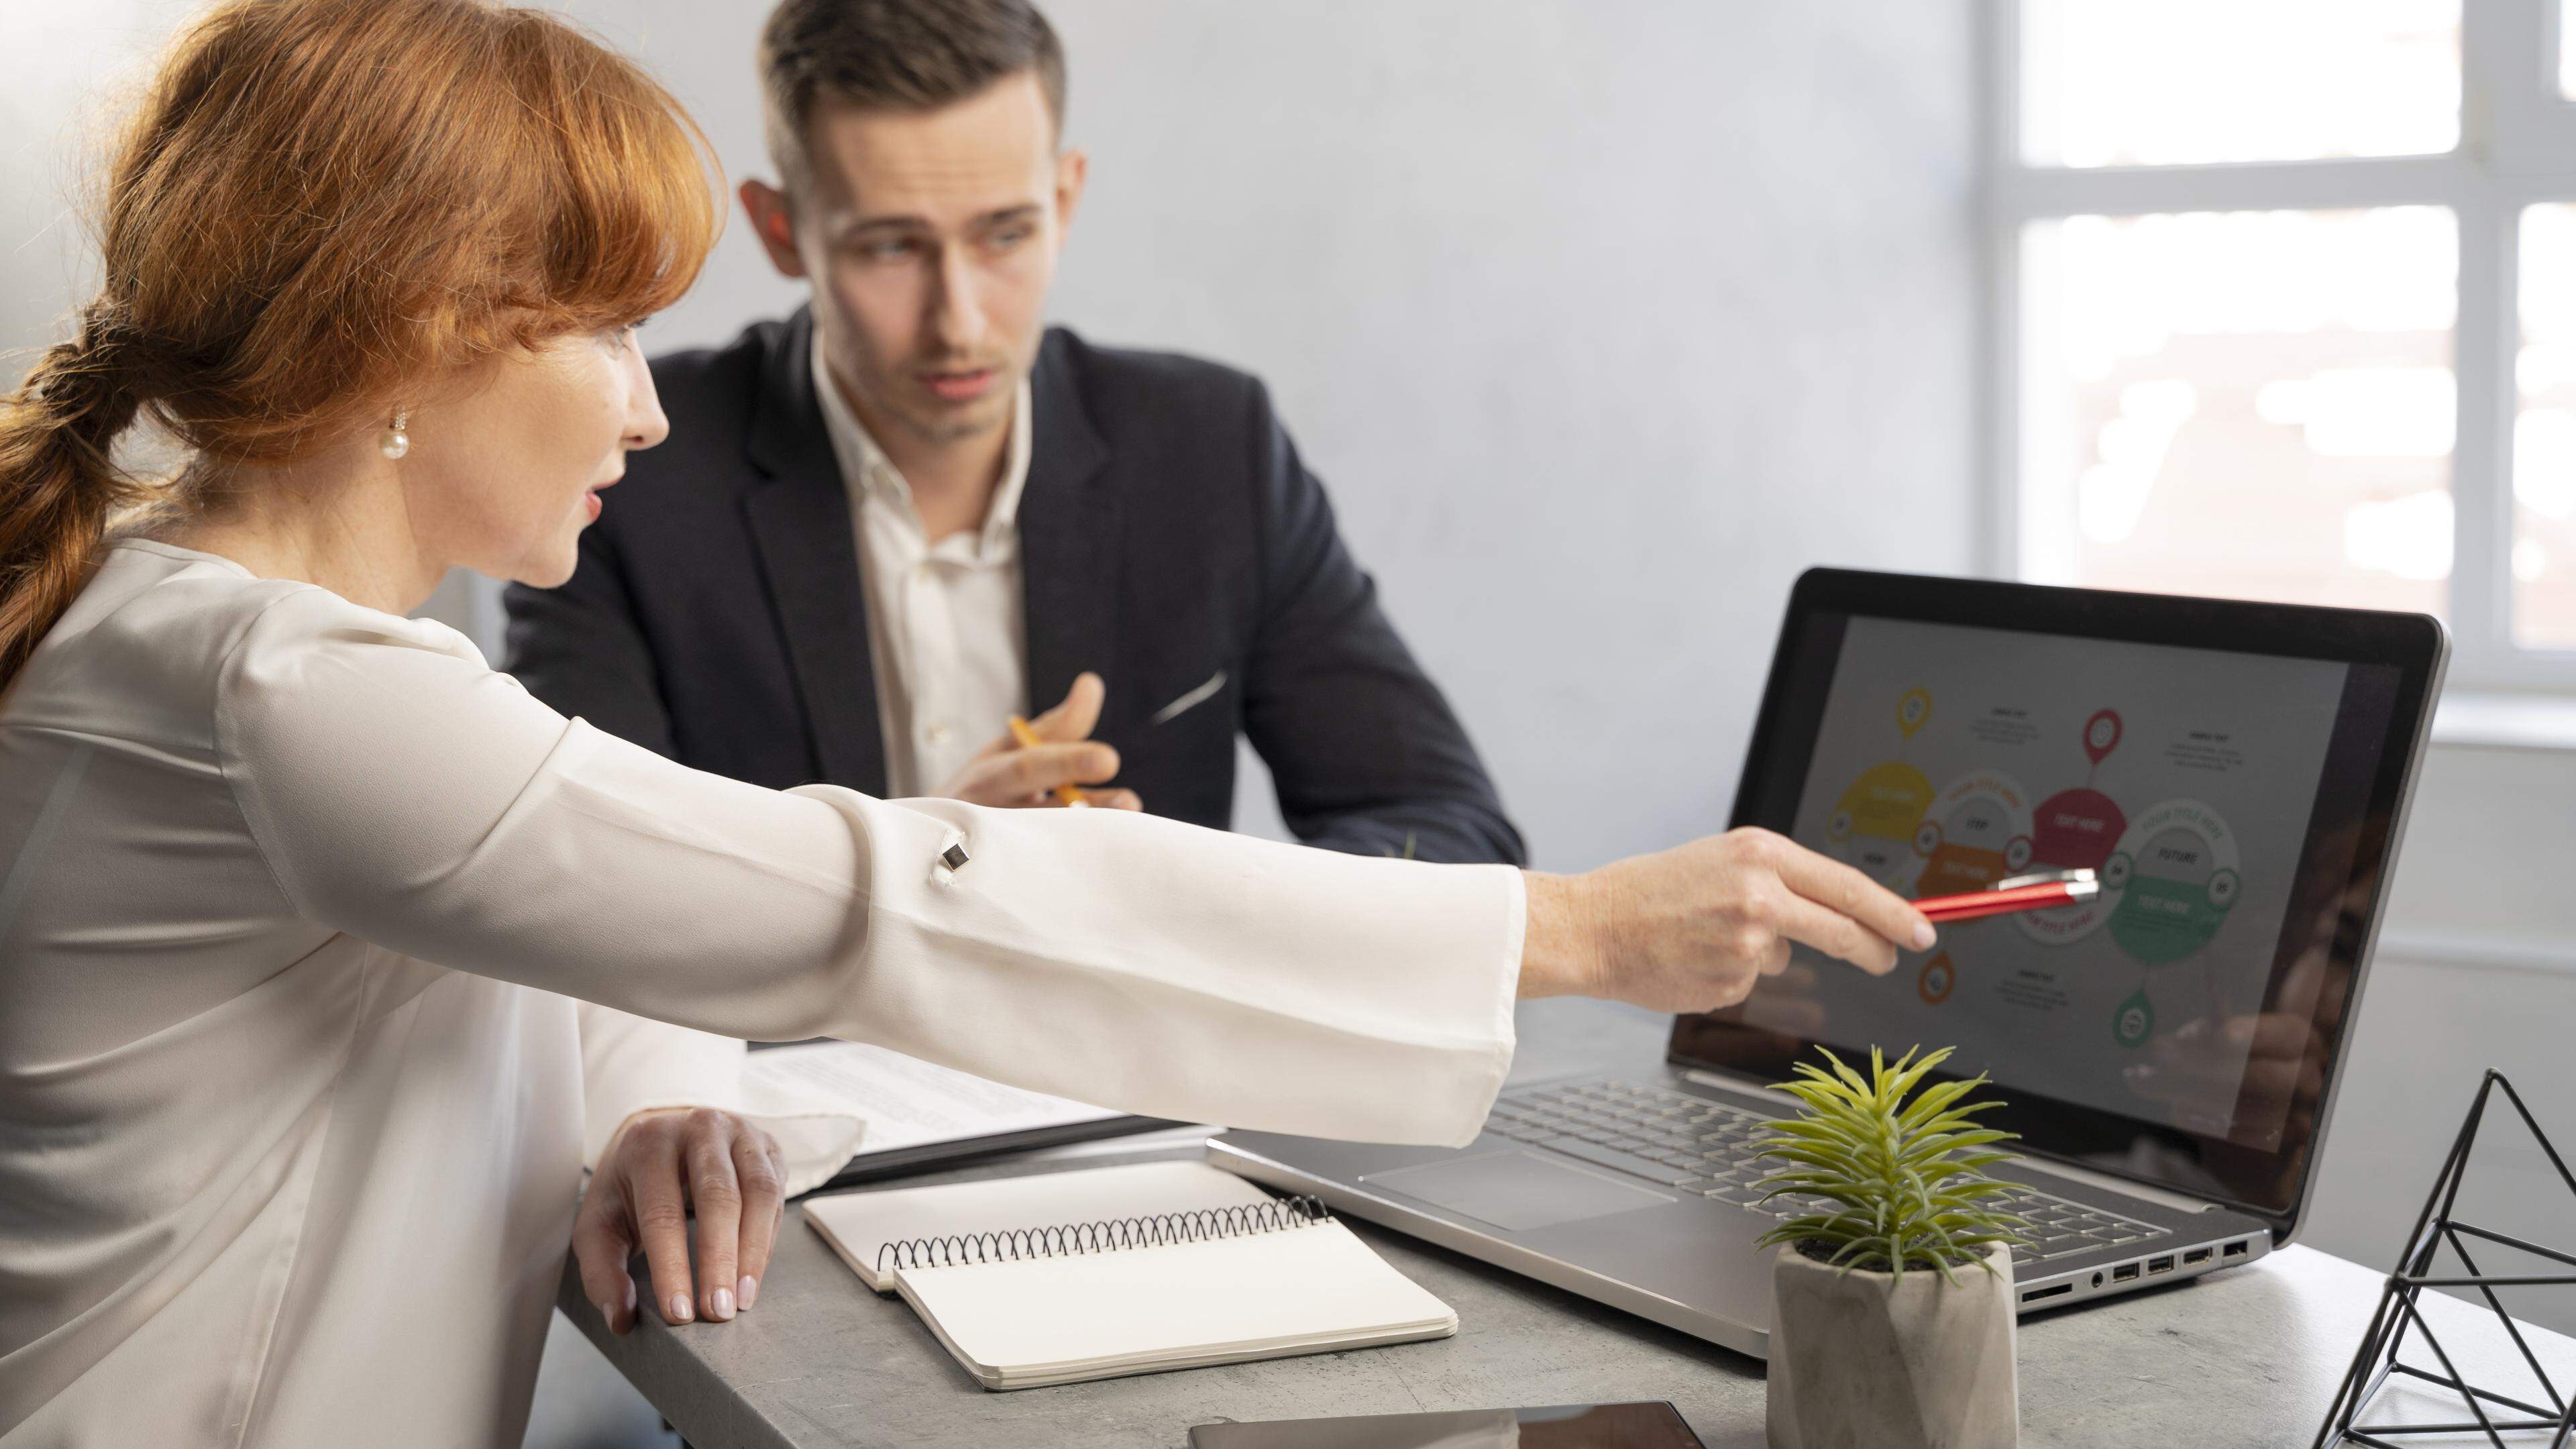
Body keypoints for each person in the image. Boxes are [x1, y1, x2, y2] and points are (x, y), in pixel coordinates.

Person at [0, 2, 1935, 1444]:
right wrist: (1574, 930)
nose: (646, 404)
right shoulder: (295, 696)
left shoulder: (210, 640)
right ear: (416, 326)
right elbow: (869, 899)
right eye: (600, 332)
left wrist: (669, 1086)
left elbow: (562, 924)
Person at [500, 0, 1523, 865]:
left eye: (1006, 235)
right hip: (780, 1091)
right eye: (892, 247)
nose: (962, 321)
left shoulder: (1215, 451)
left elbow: (1452, 835)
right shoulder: (627, 472)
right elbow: (587, 883)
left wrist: (1195, 917)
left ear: (1065, 200)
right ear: (782, 232)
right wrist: (928, 866)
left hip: (1137, 1085)